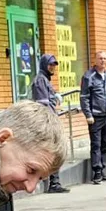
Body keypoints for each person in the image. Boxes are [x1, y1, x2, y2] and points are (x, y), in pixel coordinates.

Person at [31, 53, 69, 193]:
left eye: (54, 65)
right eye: (50, 64)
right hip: (46, 122)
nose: (53, 67)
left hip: (49, 120)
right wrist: (51, 120)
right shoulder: (40, 80)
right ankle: (53, 183)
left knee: (53, 151)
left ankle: (54, 182)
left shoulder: (45, 79)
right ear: (44, 65)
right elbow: (43, 104)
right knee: (52, 151)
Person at [80, 51, 106, 185]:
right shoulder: (89, 76)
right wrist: (88, 114)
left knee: (104, 144)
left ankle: (103, 169)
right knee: (96, 144)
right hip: (95, 117)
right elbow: (84, 97)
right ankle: (97, 172)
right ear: (95, 60)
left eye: (105, 58)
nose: (103, 60)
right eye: (100, 58)